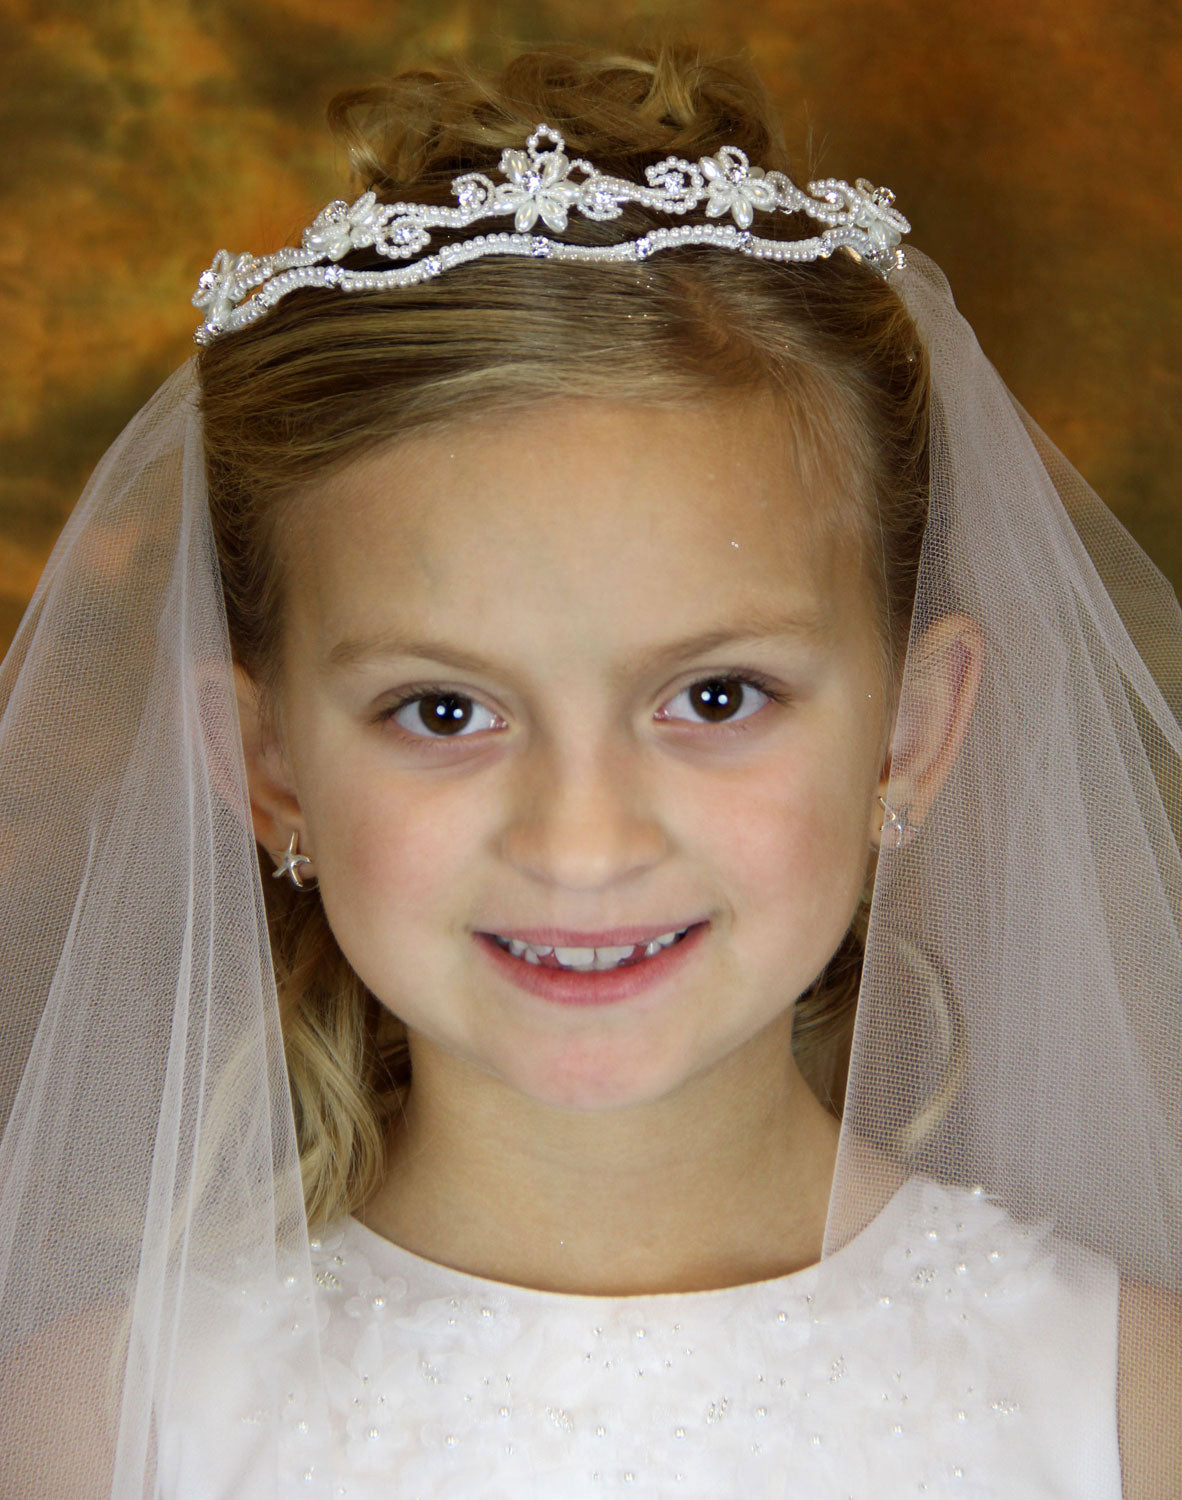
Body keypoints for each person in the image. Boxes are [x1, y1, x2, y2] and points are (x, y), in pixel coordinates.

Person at [0, 43, 1179, 1499]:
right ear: (267, 767)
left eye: (713, 694)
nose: (580, 838)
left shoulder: (1125, 1406)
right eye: (443, 711)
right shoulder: (108, 1428)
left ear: (911, 734)